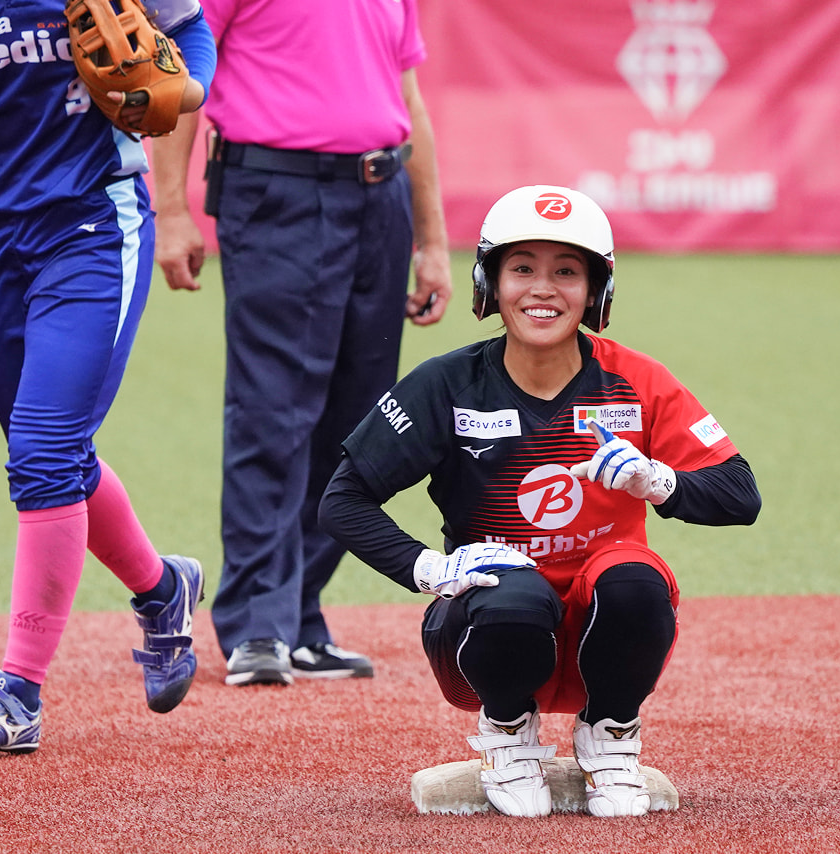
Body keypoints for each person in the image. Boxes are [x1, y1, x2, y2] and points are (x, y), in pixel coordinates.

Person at [318, 185, 761, 817]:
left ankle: (611, 734)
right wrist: (432, 569)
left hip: (604, 635)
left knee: (636, 580)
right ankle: (506, 732)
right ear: (489, 284)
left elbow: (740, 493)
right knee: (512, 591)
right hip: (484, 633)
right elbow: (343, 500)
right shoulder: (446, 384)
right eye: (522, 268)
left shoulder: (635, 381)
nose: (543, 290)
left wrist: (658, 480)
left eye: (567, 272)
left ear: (597, 290)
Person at [0, 1, 217, 754]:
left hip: (91, 224)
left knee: (43, 451)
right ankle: (162, 588)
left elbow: (191, 31)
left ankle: (18, 695)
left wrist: (185, 90)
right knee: (50, 453)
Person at [150, 0, 453, 688]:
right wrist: (171, 211)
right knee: (272, 408)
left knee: (361, 421)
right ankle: (258, 622)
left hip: (380, 196)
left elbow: (408, 100)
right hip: (276, 194)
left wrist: (432, 241)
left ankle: (300, 612)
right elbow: (178, 78)